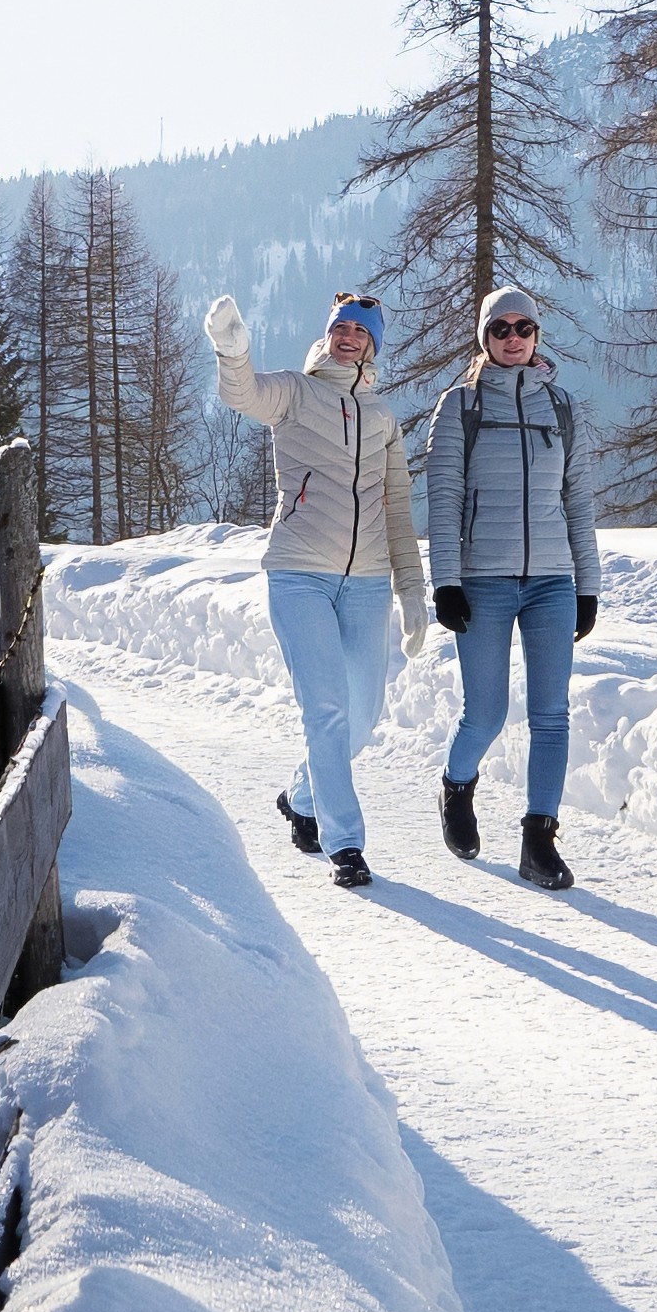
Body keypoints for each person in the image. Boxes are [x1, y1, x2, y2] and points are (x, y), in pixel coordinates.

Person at [203, 284, 427, 887]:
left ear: (373, 345)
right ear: (328, 334)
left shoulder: (382, 417)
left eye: (361, 331)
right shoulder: (296, 394)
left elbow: (398, 504)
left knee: (364, 714)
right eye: (342, 327)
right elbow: (243, 394)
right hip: (301, 572)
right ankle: (345, 843)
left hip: (369, 580)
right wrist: (233, 351)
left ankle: (302, 796)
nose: (349, 337)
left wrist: (412, 590)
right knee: (326, 709)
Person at [417, 285, 600, 890]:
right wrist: (446, 583)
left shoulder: (562, 406)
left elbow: (578, 501)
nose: (513, 338)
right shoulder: (459, 407)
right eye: (501, 329)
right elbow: (441, 502)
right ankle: (457, 787)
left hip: (551, 580)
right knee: (487, 714)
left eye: (524, 328)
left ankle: (538, 839)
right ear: (484, 337)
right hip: (484, 581)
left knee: (551, 715)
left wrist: (587, 586)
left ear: (536, 336)